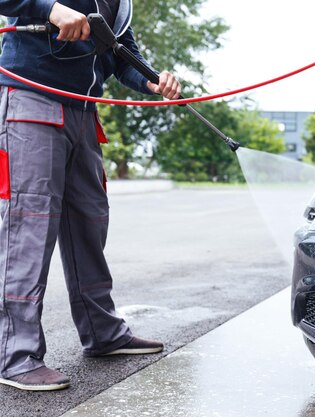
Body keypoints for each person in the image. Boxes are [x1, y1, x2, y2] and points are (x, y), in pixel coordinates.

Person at [0, 0, 181, 391]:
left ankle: (103, 333)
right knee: (29, 230)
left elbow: (121, 53)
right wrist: (50, 8)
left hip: (83, 113)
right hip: (32, 100)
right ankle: (16, 356)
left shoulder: (120, 3)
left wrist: (151, 79)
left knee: (90, 222)